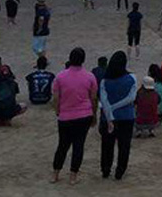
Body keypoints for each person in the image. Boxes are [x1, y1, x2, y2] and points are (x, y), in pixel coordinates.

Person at [51, 47, 98, 186]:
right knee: (78, 145)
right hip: (84, 115)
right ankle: (73, 176)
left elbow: (56, 98)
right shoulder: (90, 76)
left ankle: (55, 173)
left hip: (65, 115)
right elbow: (93, 98)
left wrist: (58, 111)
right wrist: (94, 115)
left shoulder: (60, 76)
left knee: (62, 145)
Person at [99, 51, 137, 180]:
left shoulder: (104, 81)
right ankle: (120, 171)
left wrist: (110, 114)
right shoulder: (132, 78)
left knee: (107, 145)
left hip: (108, 117)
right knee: (124, 145)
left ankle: (105, 169)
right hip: (126, 116)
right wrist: (115, 107)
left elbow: (104, 101)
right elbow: (131, 98)